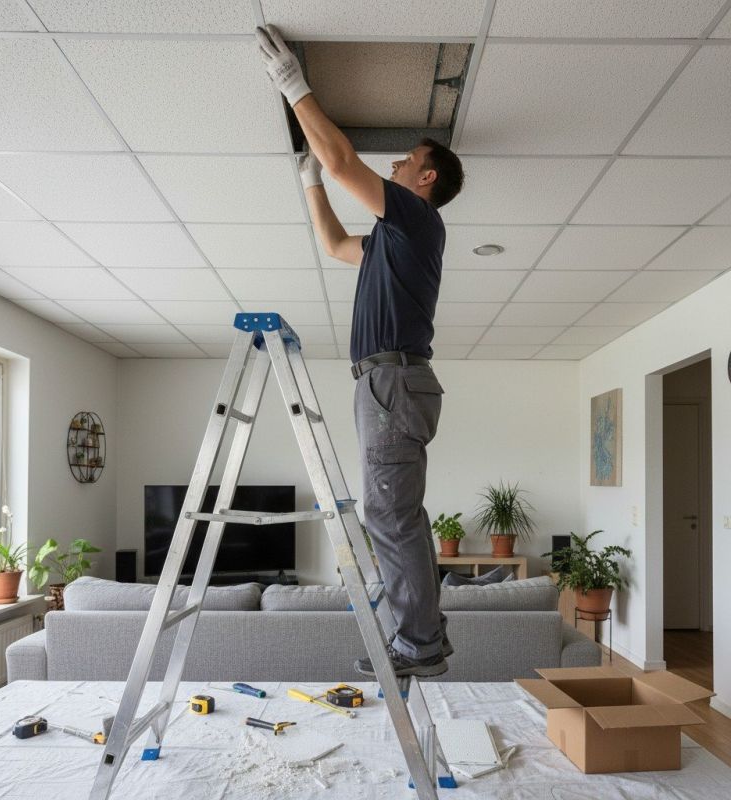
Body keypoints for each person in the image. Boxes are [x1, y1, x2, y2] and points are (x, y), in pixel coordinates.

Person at [256, 25, 464, 677]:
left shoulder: (417, 217)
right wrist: (309, 180)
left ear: (424, 178)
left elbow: (349, 163)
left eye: (407, 160)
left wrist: (295, 85)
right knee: (396, 511)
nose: (398, 163)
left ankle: (419, 644)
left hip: (394, 385)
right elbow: (333, 244)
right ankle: (426, 634)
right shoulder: (389, 240)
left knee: (389, 512)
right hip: (390, 385)